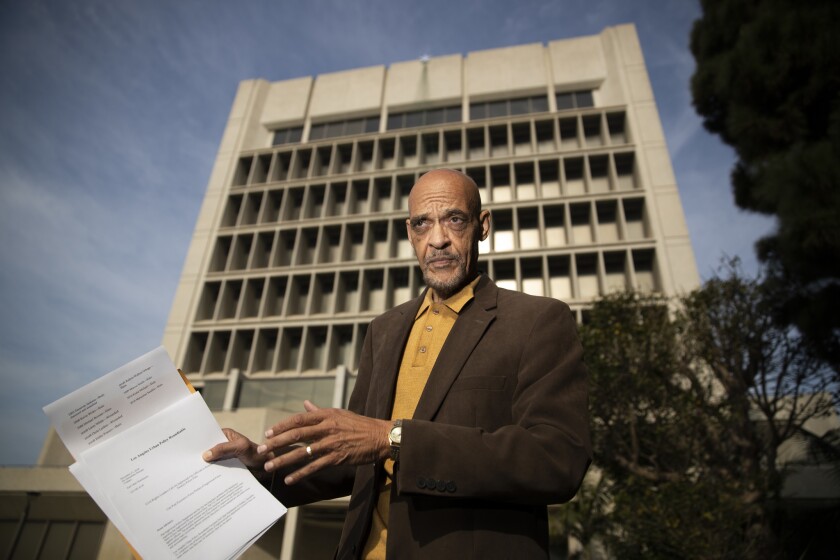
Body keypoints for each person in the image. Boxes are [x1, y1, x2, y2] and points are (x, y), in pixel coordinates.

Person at [204, 168, 591, 559]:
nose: (438, 239)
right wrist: (258, 464)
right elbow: (350, 458)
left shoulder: (537, 320)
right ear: (410, 233)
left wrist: (394, 439)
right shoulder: (384, 330)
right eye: (423, 224)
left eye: (454, 219)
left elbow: (558, 459)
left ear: (482, 225)